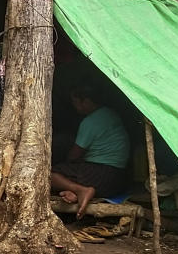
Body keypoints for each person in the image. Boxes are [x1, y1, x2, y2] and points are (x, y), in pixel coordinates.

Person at [51, 85, 130, 218]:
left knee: (49, 175)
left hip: (101, 175)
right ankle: (73, 191)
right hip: (118, 180)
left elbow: (73, 155)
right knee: (71, 173)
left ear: (86, 101)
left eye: (76, 103)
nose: (74, 107)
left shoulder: (91, 122)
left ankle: (80, 190)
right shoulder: (111, 114)